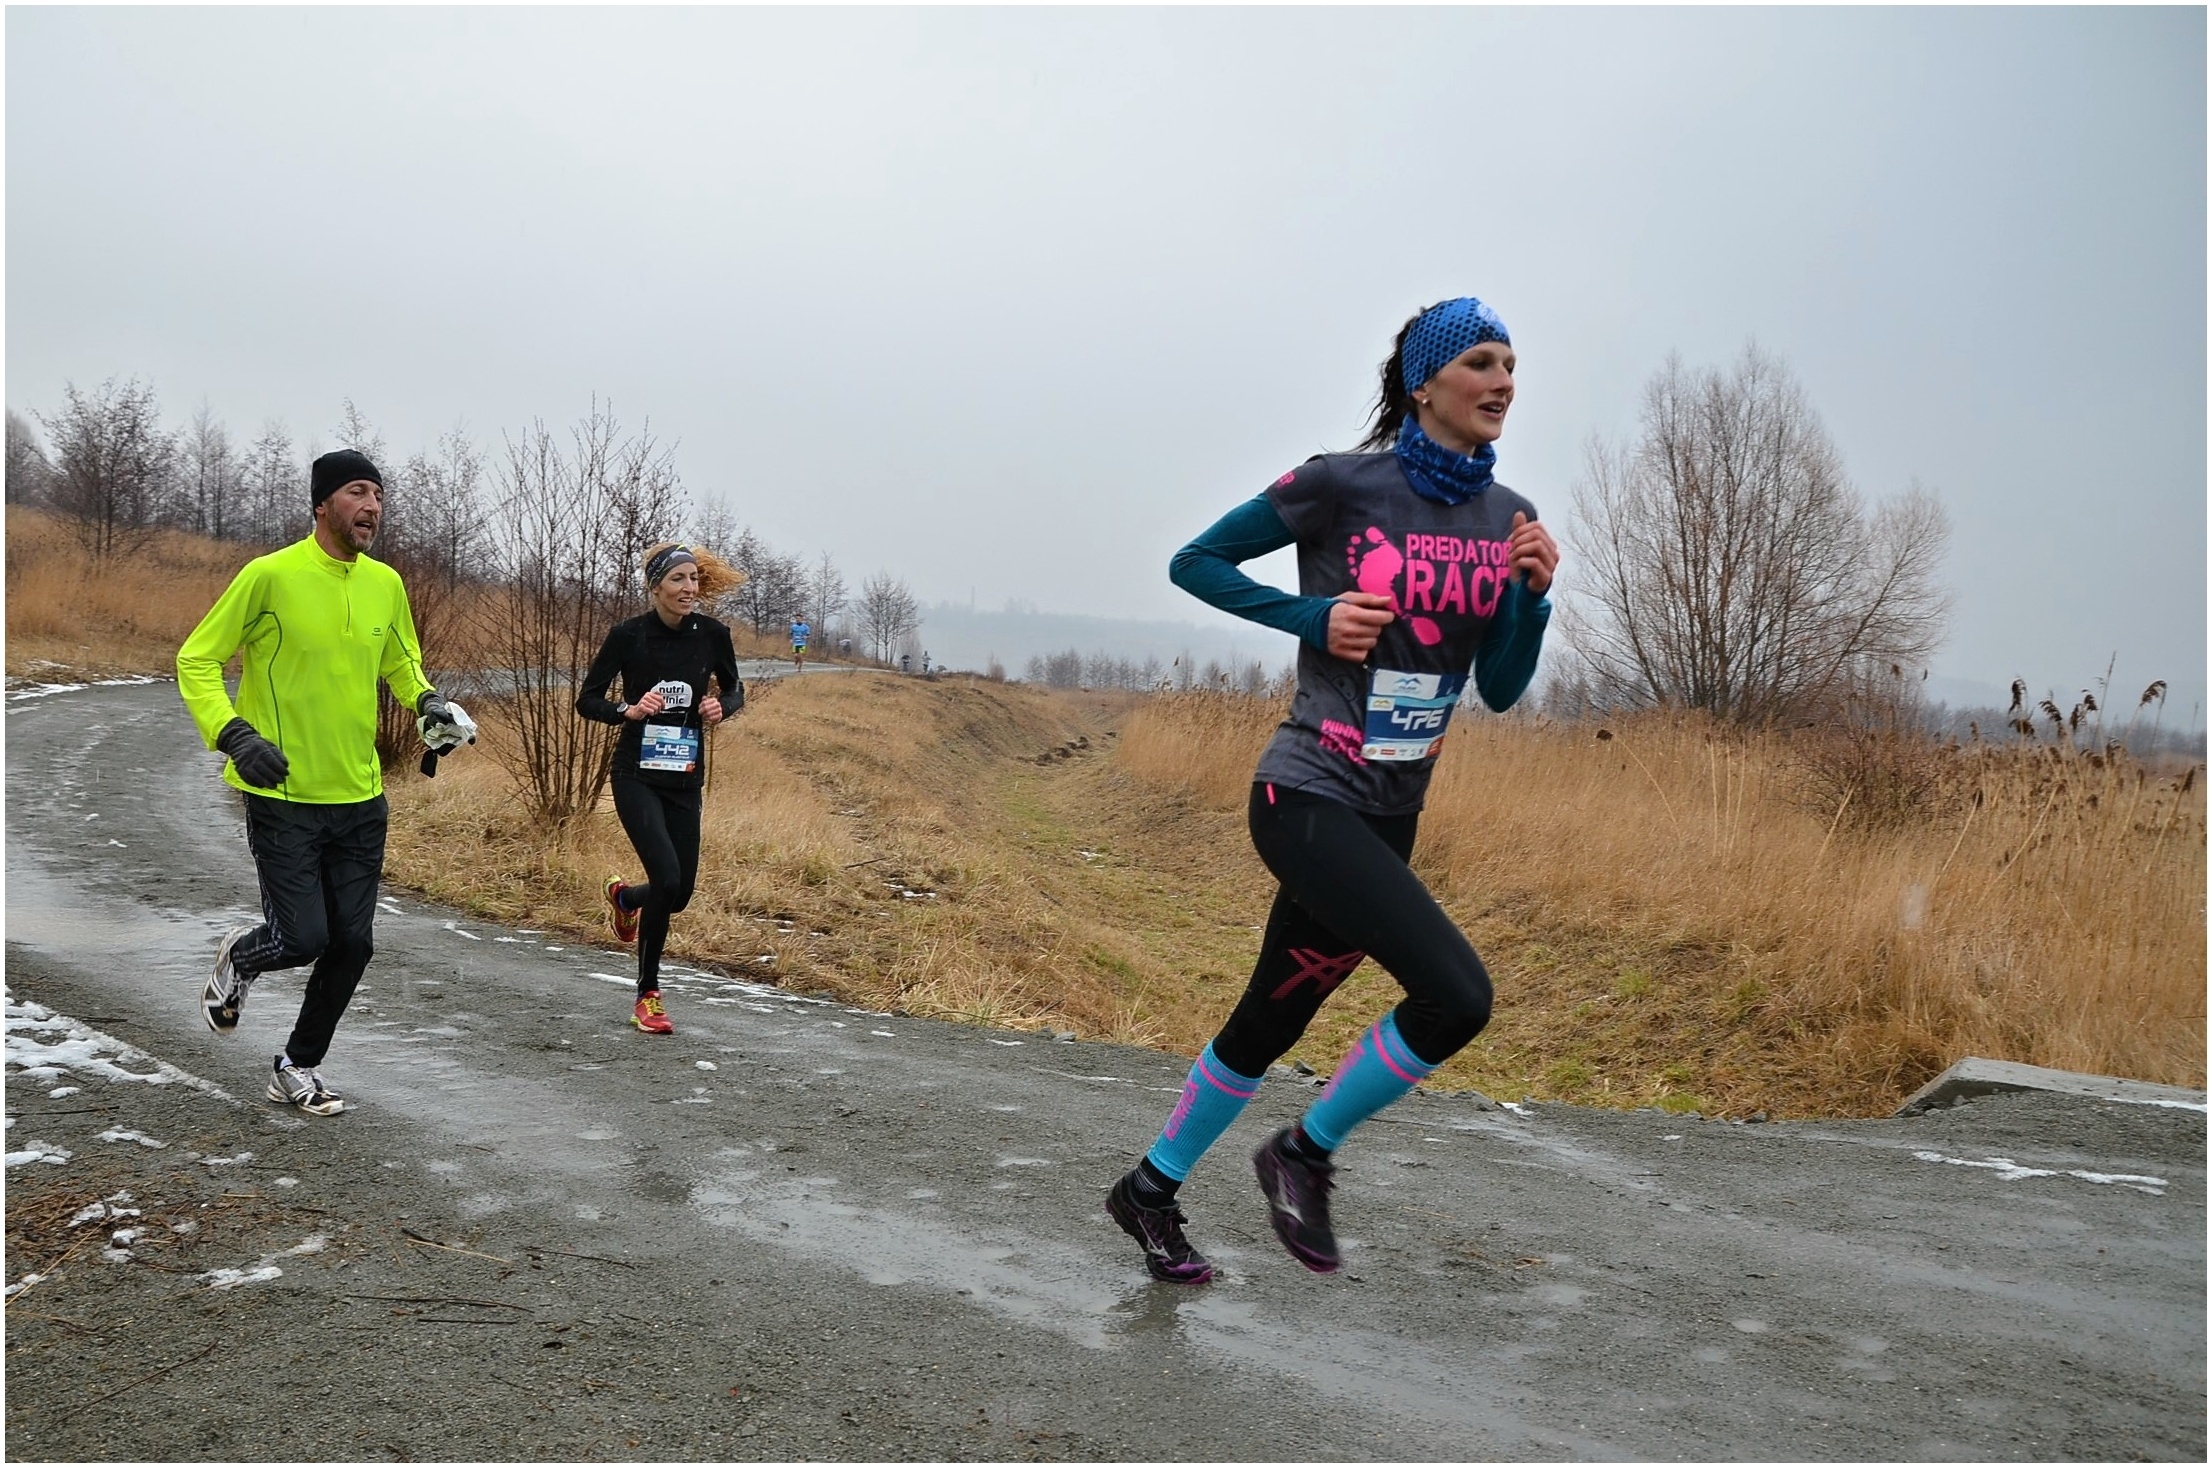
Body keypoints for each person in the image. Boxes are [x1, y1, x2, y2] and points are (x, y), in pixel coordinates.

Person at [1104, 297, 1559, 1284]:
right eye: (1482, 361)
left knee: (1271, 1018)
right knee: (1456, 996)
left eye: (1512, 365)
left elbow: (1503, 686)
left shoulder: (1507, 517)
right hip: (1308, 795)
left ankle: (1148, 1190)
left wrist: (1530, 596)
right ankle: (1300, 1154)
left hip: (1393, 812)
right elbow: (1197, 562)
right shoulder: (1337, 485)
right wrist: (1312, 616)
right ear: (1422, 383)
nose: (1503, 382)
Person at [180, 448, 472, 1116]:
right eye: (357, 492)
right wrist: (234, 734)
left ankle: (297, 1066)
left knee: (354, 945)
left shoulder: (386, 585)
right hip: (284, 796)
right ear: (322, 503)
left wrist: (427, 703)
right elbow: (196, 658)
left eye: (378, 495)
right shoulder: (270, 576)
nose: (372, 506)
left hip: (361, 798)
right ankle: (242, 958)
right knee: (303, 937)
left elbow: (402, 663)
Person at [576, 541, 745, 1034]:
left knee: (680, 892)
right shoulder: (628, 636)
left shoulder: (713, 635)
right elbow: (587, 700)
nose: (689, 588)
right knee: (667, 876)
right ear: (656, 587)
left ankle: (627, 900)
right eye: (678, 580)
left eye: (694, 579)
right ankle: (647, 996)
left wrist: (722, 707)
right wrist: (625, 711)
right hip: (635, 773)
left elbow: (734, 689)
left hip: (685, 777)